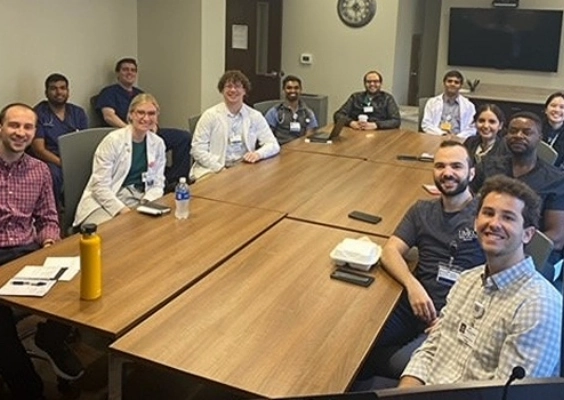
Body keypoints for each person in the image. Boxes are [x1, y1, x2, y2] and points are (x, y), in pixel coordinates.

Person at [399, 175, 562, 387]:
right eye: (488, 213)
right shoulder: (467, 280)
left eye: (508, 217)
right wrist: (405, 391)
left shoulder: (539, 306)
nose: (494, 223)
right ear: (476, 223)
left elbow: (505, 395)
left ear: (528, 235)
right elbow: (431, 348)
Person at [354, 141, 485, 383]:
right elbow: (390, 251)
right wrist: (412, 285)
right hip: (415, 305)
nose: (447, 173)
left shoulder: (485, 216)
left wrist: (455, 318)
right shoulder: (422, 210)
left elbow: (495, 279)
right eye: (440, 166)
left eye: (456, 166)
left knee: (398, 363)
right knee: (356, 342)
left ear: (472, 172)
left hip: (455, 315)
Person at [0, 103, 83, 399]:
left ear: (35, 131)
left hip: (26, 250)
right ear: (1, 127)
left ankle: (49, 338)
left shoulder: (39, 170)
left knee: (79, 284)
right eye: (14, 125)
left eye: (28, 127)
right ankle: (29, 388)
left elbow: (48, 217)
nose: (20, 133)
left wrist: (49, 243)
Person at [471, 112, 564, 281]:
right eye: (513, 131)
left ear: (540, 137)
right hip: (484, 242)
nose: (518, 136)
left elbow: (557, 236)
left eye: (527, 132)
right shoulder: (488, 166)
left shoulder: (556, 180)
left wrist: (510, 243)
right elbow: (469, 205)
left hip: (531, 254)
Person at [95, 58, 190, 190]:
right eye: (125, 69)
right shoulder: (109, 92)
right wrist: (133, 130)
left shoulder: (140, 93)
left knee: (183, 137)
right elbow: (109, 116)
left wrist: (153, 129)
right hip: (127, 133)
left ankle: (173, 180)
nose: (130, 73)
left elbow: (152, 113)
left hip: (147, 133)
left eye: (133, 70)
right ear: (118, 73)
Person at [74, 94, 166, 227]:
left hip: (139, 199)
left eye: (151, 113)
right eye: (140, 112)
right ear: (130, 115)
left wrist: (147, 202)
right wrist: (123, 210)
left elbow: (158, 182)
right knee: (119, 231)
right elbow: (99, 186)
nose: (146, 118)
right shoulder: (113, 141)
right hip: (104, 201)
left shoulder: (157, 143)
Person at [190, 70, 280, 181]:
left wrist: (258, 154)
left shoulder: (254, 116)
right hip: (213, 169)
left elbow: (273, 144)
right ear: (222, 90)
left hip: (244, 169)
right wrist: (219, 168)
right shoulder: (210, 115)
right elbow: (197, 149)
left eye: (237, 86)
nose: (233, 90)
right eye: (228, 86)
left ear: (244, 91)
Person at [32, 73, 88, 207]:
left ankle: (82, 210)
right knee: (53, 174)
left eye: (63, 88)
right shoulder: (38, 113)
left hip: (73, 158)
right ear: (46, 92)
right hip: (49, 159)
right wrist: (63, 163)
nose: (59, 92)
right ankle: (55, 212)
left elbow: (85, 142)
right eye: (54, 88)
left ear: (68, 91)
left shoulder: (77, 112)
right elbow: (39, 149)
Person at [333, 70, 400, 130]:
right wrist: (351, 123)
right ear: (364, 83)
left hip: (379, 133)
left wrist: (376, 125)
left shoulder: (387, 98)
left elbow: (396, 121)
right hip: (356, 133)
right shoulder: (355, 97)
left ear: (380, 83)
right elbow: (338, 115)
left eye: (375, 81)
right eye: (369, 82)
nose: (372, 84)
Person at [264, 75, 318, 145]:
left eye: (296, 88)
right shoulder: (274, 112)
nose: (293, 91)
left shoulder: (308, 113)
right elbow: (267, 137)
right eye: (289, 88)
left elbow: (309, 136)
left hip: (301, 150)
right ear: (283, 90)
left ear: (301, 90)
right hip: (281, 149)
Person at [421, 70, 476, 138]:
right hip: (436, 137)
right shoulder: (432, 102)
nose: (452, 84)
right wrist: (443, 134)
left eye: (456, 82)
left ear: (460, 86)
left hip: (459, 141)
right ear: (444, 83)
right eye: (449, 81)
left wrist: (456, 137)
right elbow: (426, 124)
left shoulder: (469, 106)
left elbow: (472, 129)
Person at [542, 91, 564, 169]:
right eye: (553, 106)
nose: (557, 110)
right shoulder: (534, 129)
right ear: (546, 110)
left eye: (562, 107)